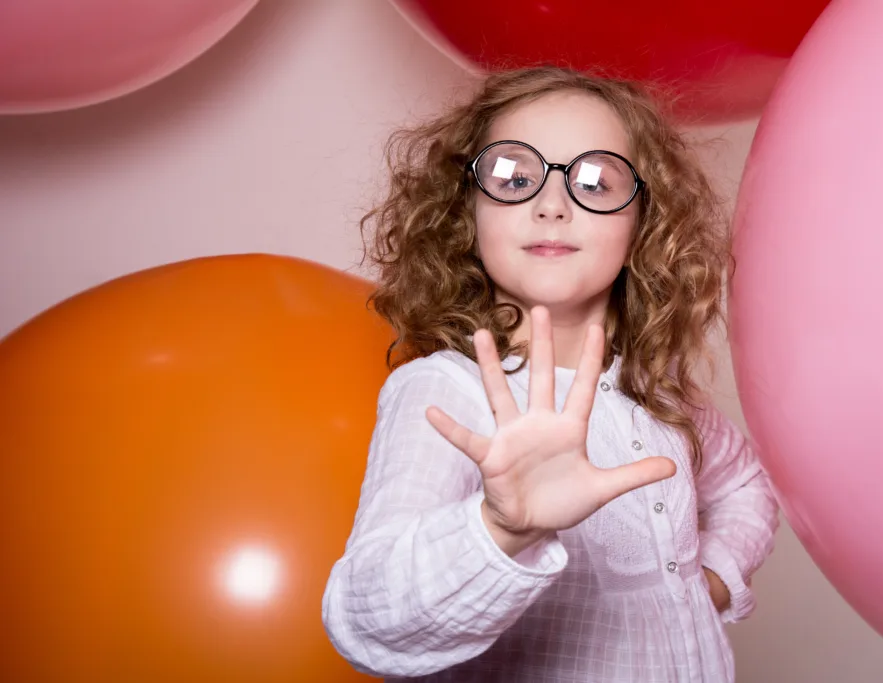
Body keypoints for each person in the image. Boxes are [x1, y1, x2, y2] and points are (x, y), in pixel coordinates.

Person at [321, 65, 779, 683]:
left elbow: (746, 483)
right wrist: (502, 528)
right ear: (468, 212)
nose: (552, 204)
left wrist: (713, 582)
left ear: (644, 219)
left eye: (595, 180)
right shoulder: (446, 391)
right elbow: (367, 623)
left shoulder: (658, 395)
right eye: (513, 177)